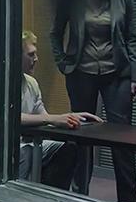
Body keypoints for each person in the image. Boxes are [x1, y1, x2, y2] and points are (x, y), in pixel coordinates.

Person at [50, 0, 136, 202]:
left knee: (122, 136)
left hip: (117, 73)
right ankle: (80, 194)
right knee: (82, 133)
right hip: (81, 72)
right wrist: (63, 63)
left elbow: (132, 38)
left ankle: (129, 200)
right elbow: (55, 33)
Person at [19, 31, 102, 189]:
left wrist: (70, 117)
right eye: (31, 54)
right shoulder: (1, 82)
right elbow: (9, 116)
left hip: (28, 144)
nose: (36, 59)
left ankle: (50, 195)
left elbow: (43, 117)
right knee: (27, 153)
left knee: (68, 148)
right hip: (6, 147)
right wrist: (52, 119)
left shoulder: (31, 83)